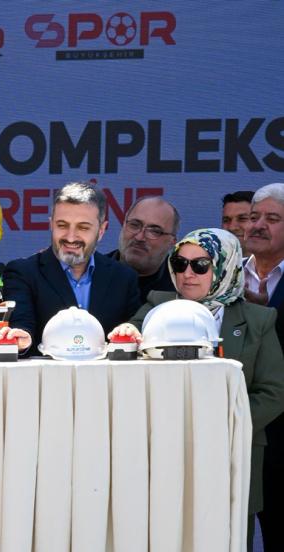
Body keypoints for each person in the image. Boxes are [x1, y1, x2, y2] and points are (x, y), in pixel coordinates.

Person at [109, 228, 284, 547]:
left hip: (230, 454)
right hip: (163, 454)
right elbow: (131, 333)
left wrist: (224, 426)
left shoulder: (258, 320)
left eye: (200, 265)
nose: (187, 274)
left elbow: (273, 393)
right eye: (179, 264)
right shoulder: (157, 305)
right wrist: (127, 332)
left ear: (224, 267)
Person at [3, 181, 141, 355]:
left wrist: (130, 332)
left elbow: (133, 332)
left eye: (83, 227)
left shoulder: (123, 277)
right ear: (51, 224)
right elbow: (22, 324)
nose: (70, 237)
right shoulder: (22, 273)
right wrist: (22, 340)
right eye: (62, 225)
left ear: (101, 230)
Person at [243, 183, 284, 549]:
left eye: (272, 218)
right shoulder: (222, 276)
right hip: (234, 435)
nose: (258, 225)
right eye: (254, 217)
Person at [107, 196, 179, 303]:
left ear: (171, 242)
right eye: (134, 225)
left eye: (154, 231)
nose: (139, 237)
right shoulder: (91, 273)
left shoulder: (181, 287)